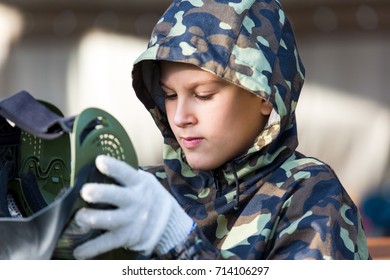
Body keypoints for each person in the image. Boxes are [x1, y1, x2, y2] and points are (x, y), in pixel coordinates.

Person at [72, 0, 370, 260]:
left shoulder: (309, 195)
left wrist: (181, 245)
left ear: (263, 96)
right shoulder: (148, 194)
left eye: (203, 95)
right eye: (170, 95)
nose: (180, 117)